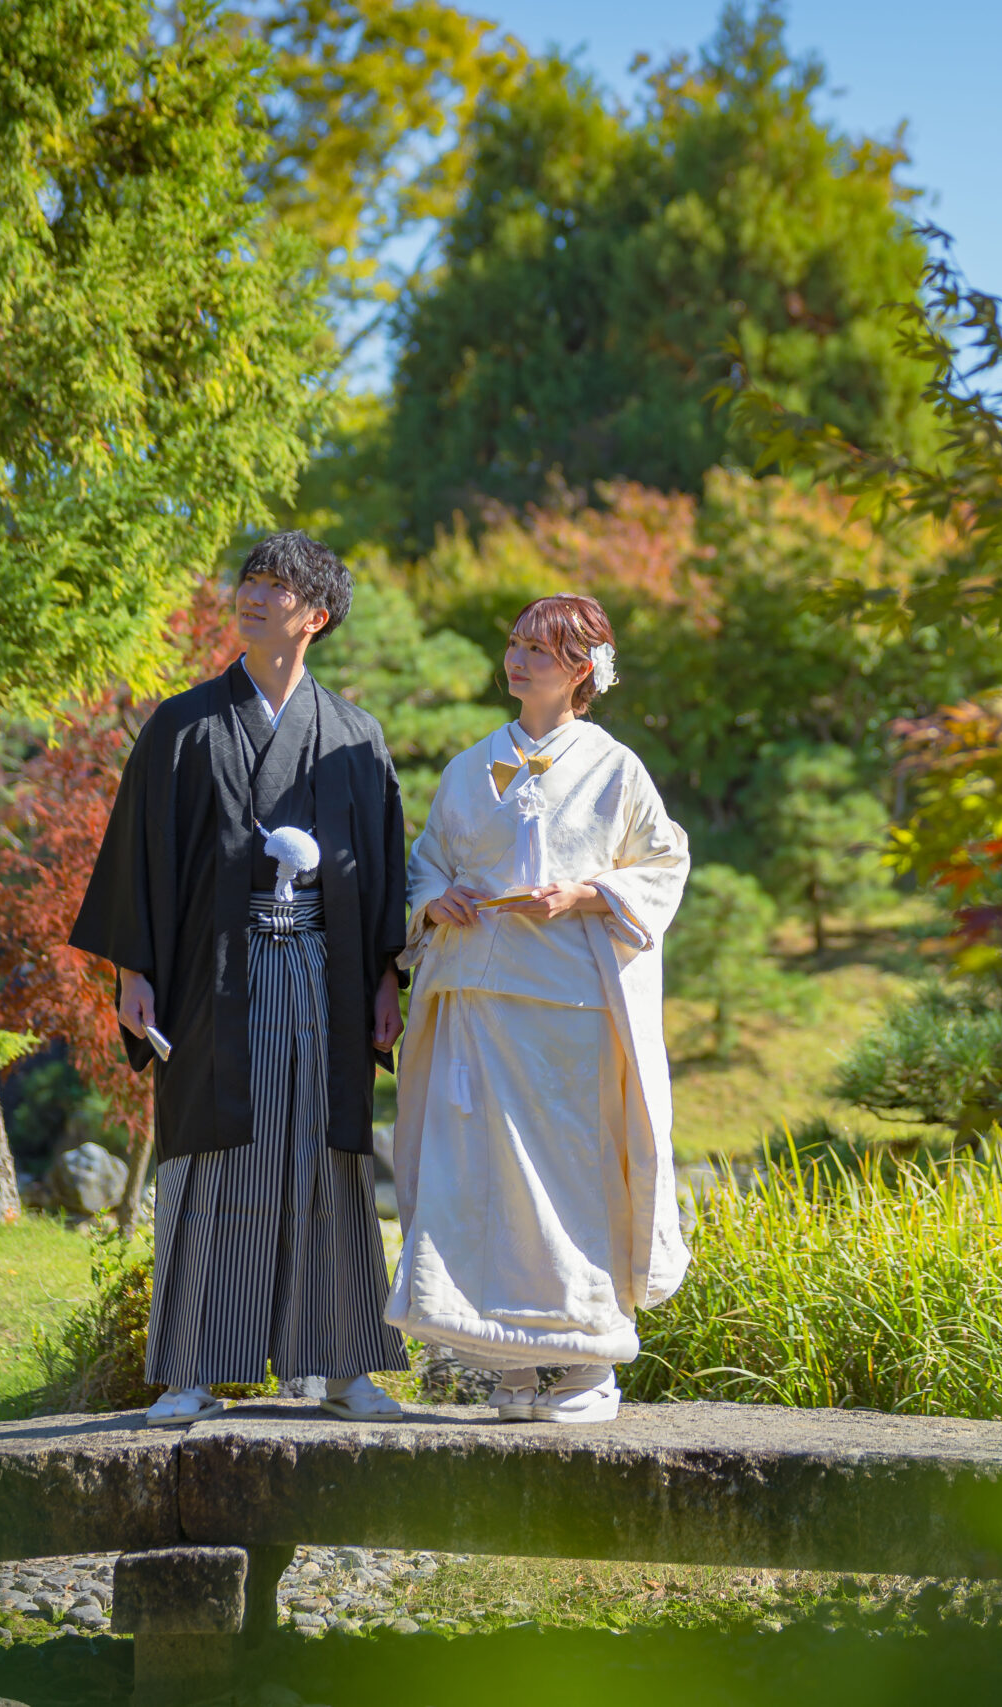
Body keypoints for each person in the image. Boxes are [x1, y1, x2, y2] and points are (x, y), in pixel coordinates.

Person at [70, 532, 410, 1427]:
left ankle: (344, 1363)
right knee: (213, 1156)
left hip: (327, 978)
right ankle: (192, 1364)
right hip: (213, 980)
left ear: (316, 615)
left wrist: (386, 977)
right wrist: (132, 972)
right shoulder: (182, 725)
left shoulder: (354, 737)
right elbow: (139, 860)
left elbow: (377, 870)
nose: (253, 597)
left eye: (277, 588)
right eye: (249, 582)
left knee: (329, 1158)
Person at [386, 593, 691, 1423]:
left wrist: (589, 891)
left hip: (569, 1017)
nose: (518, 659)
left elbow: (664, 862)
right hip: (478, 1010)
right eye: (516, 643)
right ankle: (509, 1372)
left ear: (582, 671)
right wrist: (434, 900)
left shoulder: (616, 767)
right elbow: (426, 860)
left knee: (569, 1184)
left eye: (541, 650)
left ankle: (588, 1368)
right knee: (473, 1183)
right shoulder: (468, 765)